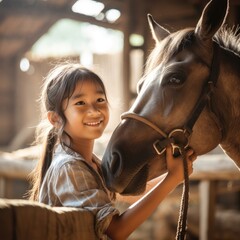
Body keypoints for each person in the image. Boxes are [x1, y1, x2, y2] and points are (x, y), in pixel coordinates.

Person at [29, 63, 196, 240]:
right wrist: (171, 179)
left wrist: (174, 176)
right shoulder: (70, 168)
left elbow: (128, 194)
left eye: (100, 100)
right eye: (80, 103)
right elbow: (117, 231)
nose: (94, 110)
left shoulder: (90, 164)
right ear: (55, 118)